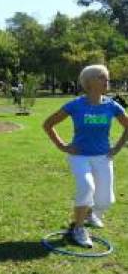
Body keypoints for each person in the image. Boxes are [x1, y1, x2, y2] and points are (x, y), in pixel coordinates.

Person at [43, 65, 128, 247]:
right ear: (89, 83)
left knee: (105, 200)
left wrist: (117, 148)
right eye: (102, 78)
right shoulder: (75, 105)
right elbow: (48, 124)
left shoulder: (112, 106)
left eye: (107, 78)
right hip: (80, 156)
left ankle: (90, 214)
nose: (107, 82)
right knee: (86, 186)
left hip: (103, 157)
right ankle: (78, 229)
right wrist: (62, 146)